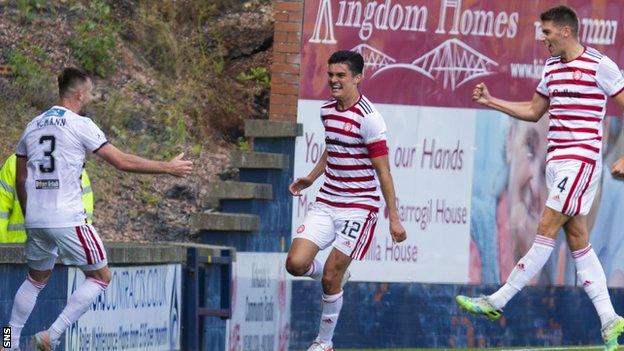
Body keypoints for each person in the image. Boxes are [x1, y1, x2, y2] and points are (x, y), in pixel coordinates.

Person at [455, 5, 624, 351]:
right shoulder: (550, 68)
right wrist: (491, 101)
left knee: (545, 227)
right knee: (577, 240)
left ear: (565, 31)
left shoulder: (600, 66)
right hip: (556, 163)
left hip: (581, 161)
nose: (542, 38)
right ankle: (610, 320)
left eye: (546, 32)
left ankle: (498, 300)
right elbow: (534, 111)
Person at [3, 67, 192, 351]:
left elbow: (21, 178)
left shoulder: (33, 125)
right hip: (68, 218)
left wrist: (33, 215)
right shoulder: (81, 124)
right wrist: (167, 167)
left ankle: (7, 341)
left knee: (33, 281)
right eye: (90, 92)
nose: (91, 97)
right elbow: (121, 161)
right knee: (101, 277)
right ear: (79, 94)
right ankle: (51, 335)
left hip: (36, 219)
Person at [285, 50, 406, 351]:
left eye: (341, 76)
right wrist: (311, 178)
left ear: (357, 78)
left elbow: (384, 171)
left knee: (329, 275)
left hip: (359, 207)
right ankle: (340, 276)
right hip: (327, 201)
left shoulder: (369, 119)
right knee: (295, 264)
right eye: (331, 75)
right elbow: (334, 147)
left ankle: (323, 344)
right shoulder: (328, 111)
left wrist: (394, 217)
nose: (334, 81)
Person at [0, 154, 94, 243]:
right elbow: (85, 213)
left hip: (17, 249)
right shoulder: (73, 163)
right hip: (62, 249)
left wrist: (5, 251)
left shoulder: (16, 162)